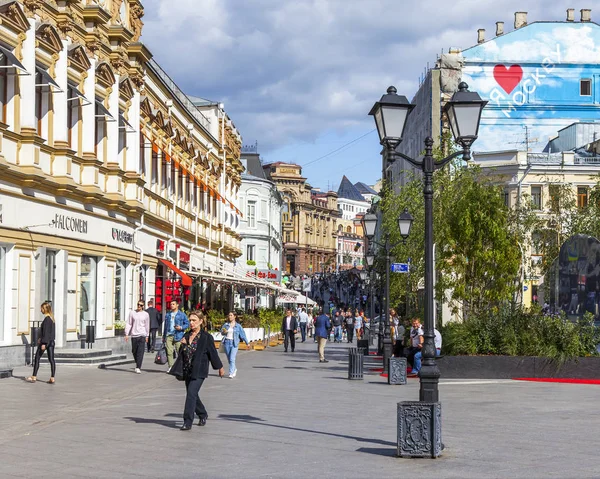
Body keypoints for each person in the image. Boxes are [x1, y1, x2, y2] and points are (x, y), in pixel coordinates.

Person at [179, 311, 224, 431]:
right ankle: (203, 414)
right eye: (190, 320)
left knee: (191, 394)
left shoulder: (206, 337)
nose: (191, 323)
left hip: (200, 370)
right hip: (188, 369)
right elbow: (184, 353)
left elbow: (212, 353)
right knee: (192, 394)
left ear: (200, 321)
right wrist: (183, 344)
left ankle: (187, 421)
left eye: (194, 320)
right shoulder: (187, 335)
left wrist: (220, 367)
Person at [27, 301, 56, 384]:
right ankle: (52, 377)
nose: (40, 310)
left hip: (46, 342)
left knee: (37, 358)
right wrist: (42, 338)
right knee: (51, 360)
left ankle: (34, 376)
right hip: (51, 342)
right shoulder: (52, 318)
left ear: (45, 309)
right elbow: (51, 333)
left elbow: (46, 332)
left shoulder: (47, 319)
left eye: (41, 308)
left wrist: (43, 343)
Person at [220, 312, 249, 379]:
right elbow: (222, 332)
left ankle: (231, 373)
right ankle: (234, 369)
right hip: (227, 342)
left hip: (234, 343)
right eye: (229, 315)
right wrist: (224, 332)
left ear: (235, 316)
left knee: (232, 358)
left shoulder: (238, 326)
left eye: (231, 315)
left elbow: (242, 335)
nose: (229, 317)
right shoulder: (226, 325)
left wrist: (247, 343)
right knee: (229, 359)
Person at [163, 300, 190, 370]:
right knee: (169, 352)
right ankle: (171, 367)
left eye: (173, 304)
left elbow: (187, 324)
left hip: (178, 335)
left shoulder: (182, 314)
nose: (171, 305)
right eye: (171, 304)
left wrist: (181, 327)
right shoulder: (168, 314)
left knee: (180, 351)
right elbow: (166, 326)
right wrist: (164, 336)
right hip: (169, 335)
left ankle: (182, 366)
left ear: (177, 305)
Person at [125, 300, 150, 374]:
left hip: (142, 334)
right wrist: (126, 333)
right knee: (134, 350)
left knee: (140, 351)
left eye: (141, 305)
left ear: (143, 306)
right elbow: (129, 323)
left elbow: (147, 325)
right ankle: (137, 362)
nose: (139, 306)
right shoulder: (132, 313)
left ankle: (138, 367)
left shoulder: (146, 314)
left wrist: (147, 335)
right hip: (134, 334)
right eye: (138, 304)